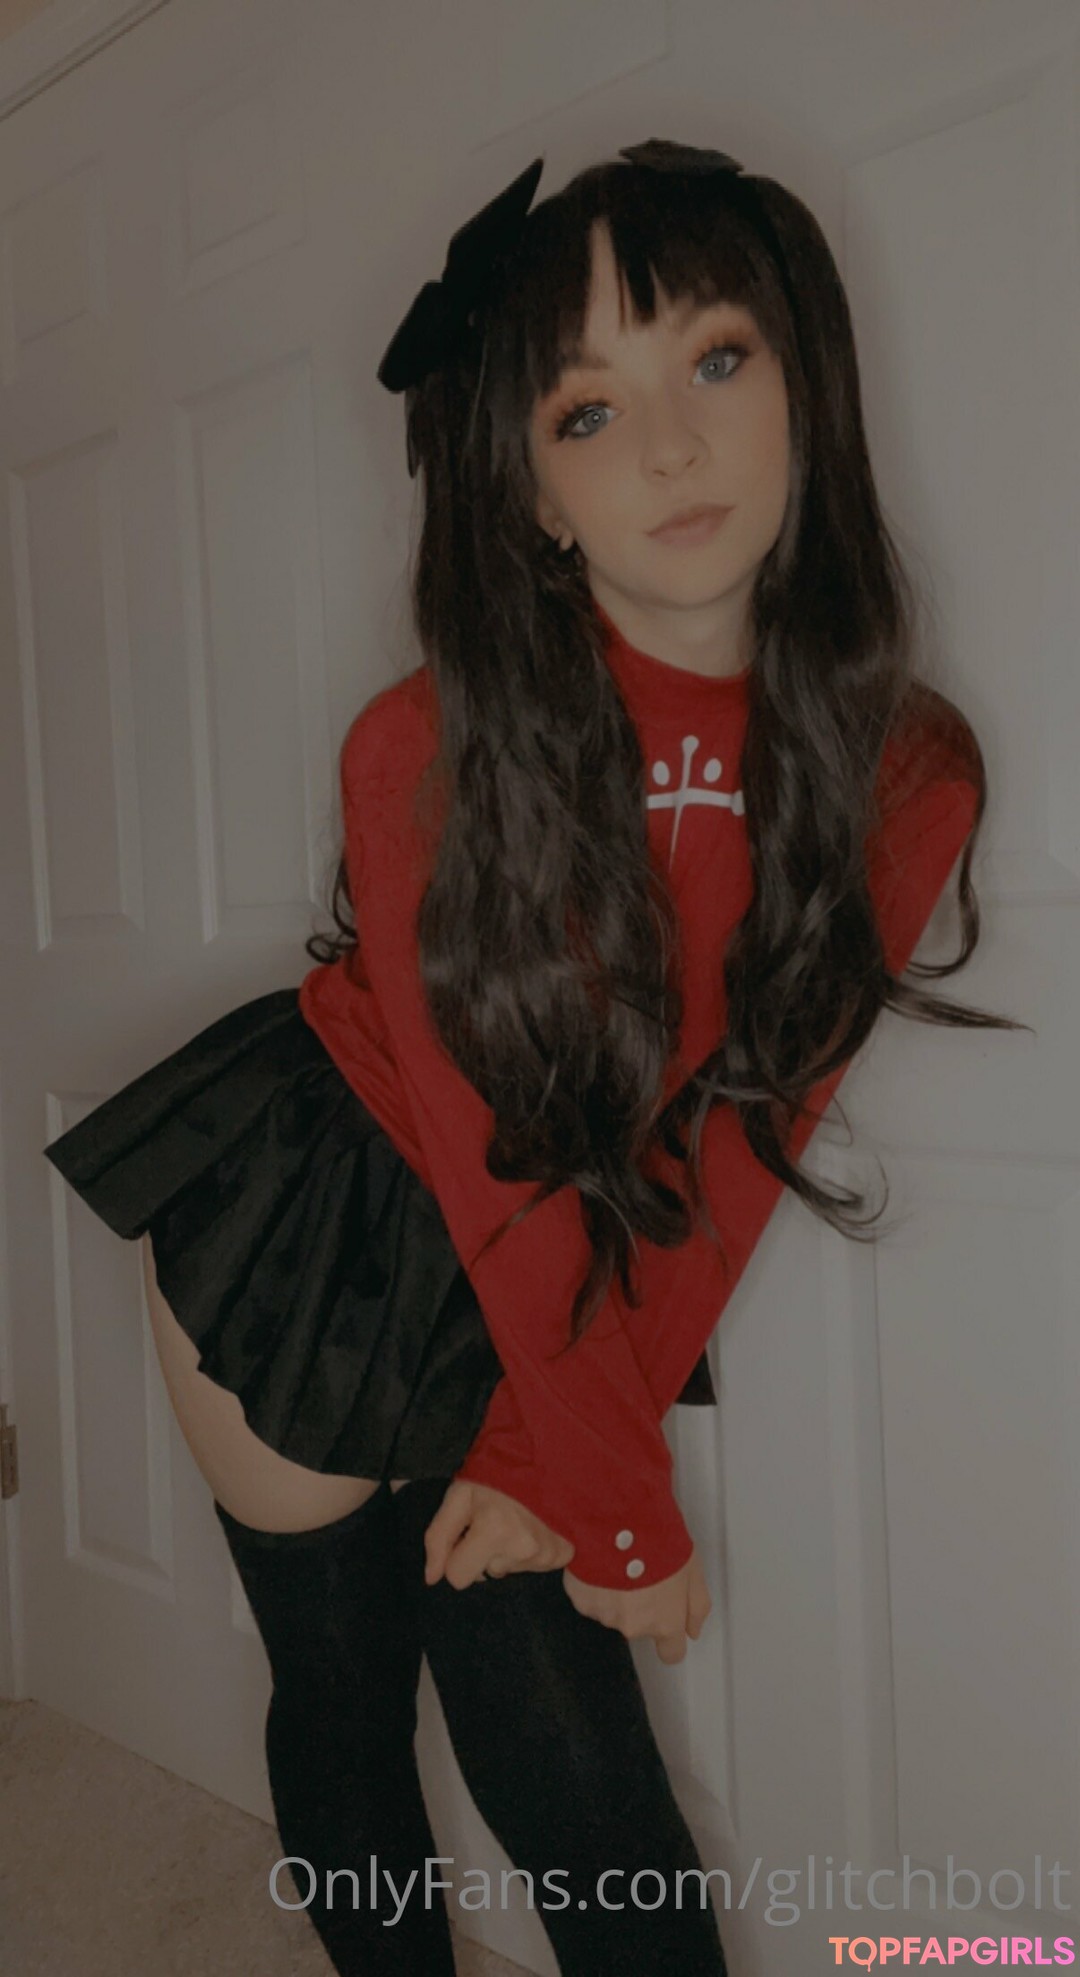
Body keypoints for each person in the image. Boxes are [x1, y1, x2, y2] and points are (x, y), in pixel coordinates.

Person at [42, 137, 1025, 1976]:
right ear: (537, 493)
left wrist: (563, 1462)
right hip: (326, 1207)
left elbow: (733, 1151)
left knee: (582, 1792)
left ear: (807, 389)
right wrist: (620, 1504)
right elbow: (487, 1143)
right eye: (589, 409)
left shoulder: (907, 775)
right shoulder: (420, 743)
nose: (669, 446)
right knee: (345, 1704)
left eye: (715, 359)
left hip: (579, 1255)